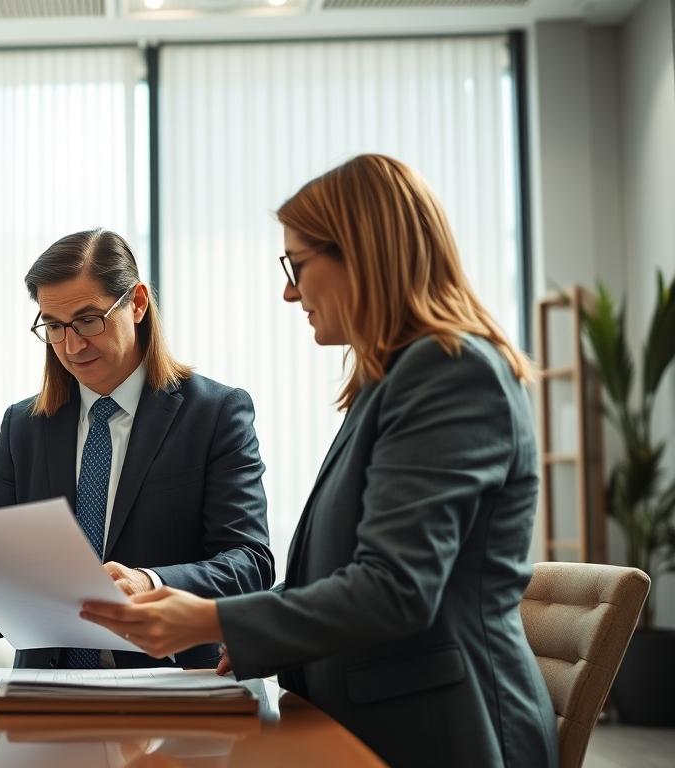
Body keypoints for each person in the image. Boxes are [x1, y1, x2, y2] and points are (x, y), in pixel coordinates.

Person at [81, 155, 557, 767]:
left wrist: (211, 619)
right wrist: (248, 639)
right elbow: (339, 571)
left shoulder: (451, 373)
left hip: (446, 735)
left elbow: (395, 590)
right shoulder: (395, 382)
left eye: (297, 265)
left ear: (363, 255)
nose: (289, 290)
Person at [0, 228, 274, 670]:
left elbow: (250, 566)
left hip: (172, 693)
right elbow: (2, 567)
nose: (72, 346)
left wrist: (152, 583)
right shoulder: (23, 427)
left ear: (138, 302)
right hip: (46, 698)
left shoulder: (215, 414)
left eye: (89, 320)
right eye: (53, 326)